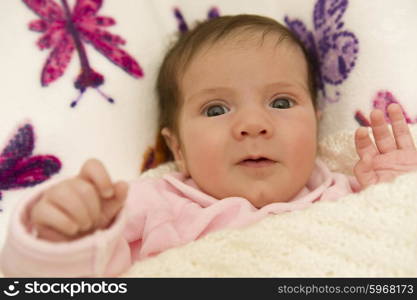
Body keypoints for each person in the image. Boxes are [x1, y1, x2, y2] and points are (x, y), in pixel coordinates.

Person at [2, 15, 417, 277]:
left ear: (316, 123)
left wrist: (398, 189)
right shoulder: (149, 204)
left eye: (282, 102)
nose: (253, 124)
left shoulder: (348, 192)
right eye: (217, 109)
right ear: (176, 147)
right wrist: (60, 239)